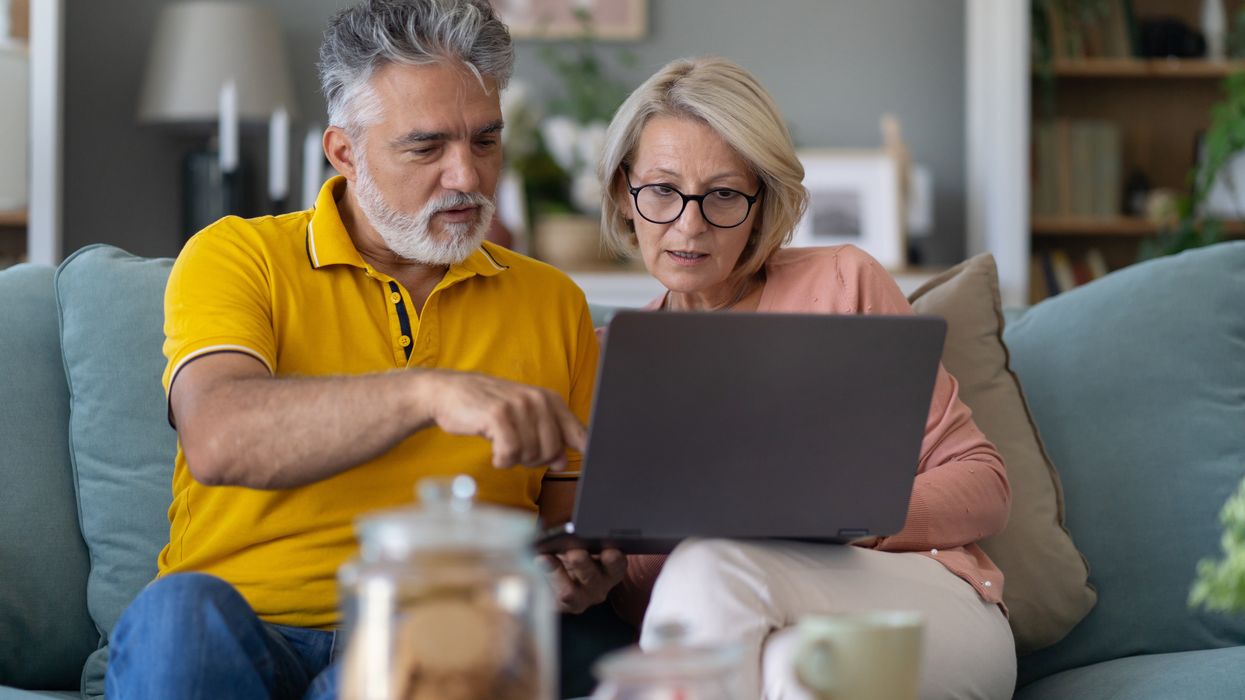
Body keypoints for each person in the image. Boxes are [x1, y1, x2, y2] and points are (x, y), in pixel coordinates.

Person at [104, 1, 630, 697]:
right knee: (178, 615)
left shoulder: (550, 300)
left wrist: (576, 574)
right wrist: (428, 392)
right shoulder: (238, 256)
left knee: (448, 640)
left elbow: (564, 516)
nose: (467, 178)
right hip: (238, 625)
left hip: (428, 634)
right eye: (426, 147)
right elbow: (220, 437)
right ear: (344, 152)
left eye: (484, 141)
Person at [595, 56, 1017, 699]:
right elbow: (642, 599)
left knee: (713, 568)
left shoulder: (842, 282)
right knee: (793, 671)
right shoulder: (608, 359)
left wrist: (850, 517)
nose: (689, 223)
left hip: (924, 605)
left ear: (762, 201)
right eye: (661, 190)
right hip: (755, 631)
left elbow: (986, 485)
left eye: (724, 195)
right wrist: (600, 574)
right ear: (625, 194)